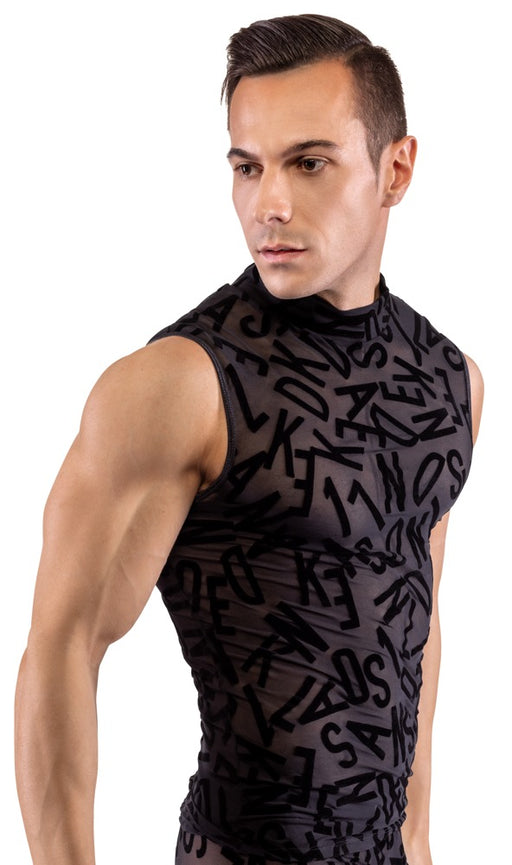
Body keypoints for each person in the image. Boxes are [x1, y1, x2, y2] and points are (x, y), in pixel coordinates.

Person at [15, 13, 483, 865]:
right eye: (247, 166)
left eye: (309, 163)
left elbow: (411, 618)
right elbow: (62, 642)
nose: (270, 203)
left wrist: (418, 840)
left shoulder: (449, 382)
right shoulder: (179, 385)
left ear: (396, 169)